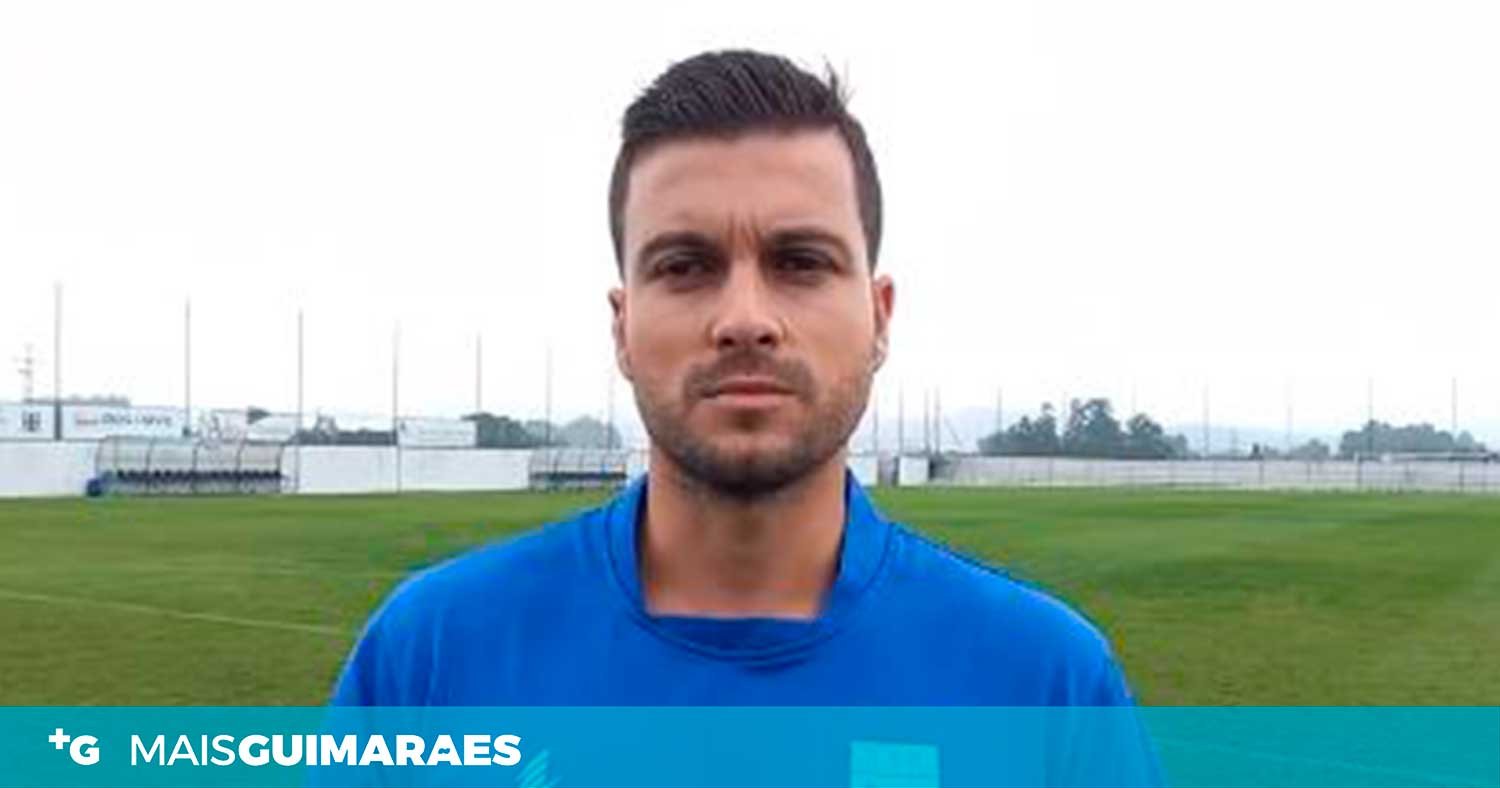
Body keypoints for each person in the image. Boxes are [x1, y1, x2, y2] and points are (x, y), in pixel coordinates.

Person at [330, 48, 1157, 784]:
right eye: (685, 265)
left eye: (801, 262)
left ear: (879, 318)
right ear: (622, 325)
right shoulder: (428, 657)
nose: (745, 318)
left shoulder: (1046, 685)